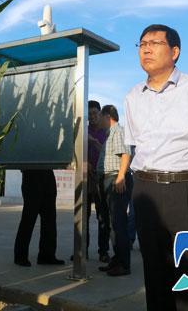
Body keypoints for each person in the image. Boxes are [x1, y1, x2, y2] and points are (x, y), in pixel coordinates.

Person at [124, 24, 188, 310]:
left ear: (174, 52)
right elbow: (136, 147)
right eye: (142, 44)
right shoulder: (133, 96)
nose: (146, 49)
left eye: (154, 43)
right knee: (155, 276)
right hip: (146, 191)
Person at [96, 104, 133, 276]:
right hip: (109, 179)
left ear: (107, 117)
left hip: (116, 179)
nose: (97, 121)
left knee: (118, 223)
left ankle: (123, 264)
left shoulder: (118, 131)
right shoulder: (109, 134)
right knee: (112, 223)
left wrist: (121, 177)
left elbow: (126, 154)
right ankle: (117, 260)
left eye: (99, 117)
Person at [14, 169, 64, 267]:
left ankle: (47, 255)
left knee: (50, 218)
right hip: (31, 174)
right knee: (29, 218)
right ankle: (20, 256)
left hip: (48, 174)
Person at [86, 100, 111, 262]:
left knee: (103, 216)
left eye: (95, 113)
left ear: (100, 113)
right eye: (89, 114)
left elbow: (108, 153)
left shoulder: (106, 132)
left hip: (102, 177)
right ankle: (82, 250)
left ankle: (103, 251)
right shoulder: (83, 131)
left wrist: (94, 141)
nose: (93, 116)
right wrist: (85, 163)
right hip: (85, 178)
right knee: (83, 216)